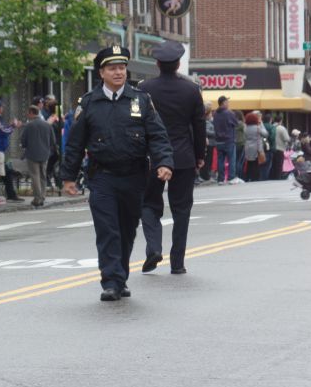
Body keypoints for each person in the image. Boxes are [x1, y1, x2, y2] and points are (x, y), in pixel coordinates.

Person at [60, 45, 174, 301]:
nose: (119, 72)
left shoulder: (141, 100)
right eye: (112, 68)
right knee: (107, 228)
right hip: (102, 177)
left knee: (126, 228)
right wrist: (68, 177)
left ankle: (119, 275)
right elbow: (76, 143)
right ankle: (110, 281)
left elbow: (157, 135)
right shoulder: (89, 103)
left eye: (122, 67)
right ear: (101, 72)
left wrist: (164, 162)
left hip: (134, 176)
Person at [139, 40, 205, 275]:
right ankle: (177, 262)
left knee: (148, 203)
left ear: (157, 63)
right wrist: (200, 155)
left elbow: (138, 125)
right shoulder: (192, 90)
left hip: (152, 157)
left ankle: (154, 248)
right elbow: (199, 126)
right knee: (181, 209)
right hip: (183, 156)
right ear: (178, 64)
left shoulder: (144, 89)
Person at [0, 99, 23, 203]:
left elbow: (2, 128)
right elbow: (2, 131)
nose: (2, 110)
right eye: (1, 107)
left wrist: (9, 126)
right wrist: (13, 126)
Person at [21, 105, 56, 207]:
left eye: (28, 113)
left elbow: (23, 140)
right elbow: (53, 141)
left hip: (32, 154)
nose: (28, 115)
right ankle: (43, 196)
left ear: (32, 113)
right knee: (43, 175)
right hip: (45, 154)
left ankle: (38, 198)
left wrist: (25, 146)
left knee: (35, 175)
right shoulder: (47, 125)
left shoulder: (29, 125)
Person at [213, 95, 241, 185]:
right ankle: (231, 177)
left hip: (218, 140)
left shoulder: (215, 114)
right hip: (228, 139)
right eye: (227, 102)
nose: (228, 103)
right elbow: (236, 123)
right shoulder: (228, 113)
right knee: (231, 159)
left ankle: (220, 179)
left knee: (220, 160)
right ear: (224, 103)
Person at [244, 111, 267, 182]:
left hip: (247, 147)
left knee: (249, 163)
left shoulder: (245, 128)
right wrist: (261, 123)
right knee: (256, 163)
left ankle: (248, 177)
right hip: (256, 147)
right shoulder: (257, 127)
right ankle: (255, 177)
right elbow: (265, 134)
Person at [198, 102, 215, 181]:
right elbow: (205, 131)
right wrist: (215, 133)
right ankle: (204, 176)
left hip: (209, 142)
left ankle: (205, 175)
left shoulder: (208, 121)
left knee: (208, 160)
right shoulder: (205, 121)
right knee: (206, 160)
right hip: (208, 142)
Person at [272, 114, 290, 180]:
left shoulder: (272, 127)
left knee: (273, 164)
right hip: (280, 148)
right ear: (281, 121)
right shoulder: (281, 128)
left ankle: (272, 177)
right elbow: (287, 138)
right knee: (279, 164)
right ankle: (278, 177)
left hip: (271, 149)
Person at [260, 112, 276, 180]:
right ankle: (265, 178)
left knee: (261, 164)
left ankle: (260, 177)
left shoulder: (261, 126)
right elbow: (272, 137)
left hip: (261, 147)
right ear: (270, 119)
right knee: (268, 164)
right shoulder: (272, 127)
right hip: (269, 148)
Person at [235, 110, 246, 180]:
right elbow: (246, 132)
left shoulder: (233, 123)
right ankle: (239, 175)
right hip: (242, 143)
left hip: (234, 143)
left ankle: (235, 175)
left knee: (235, 160)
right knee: (240, 161)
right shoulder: (242, 124)